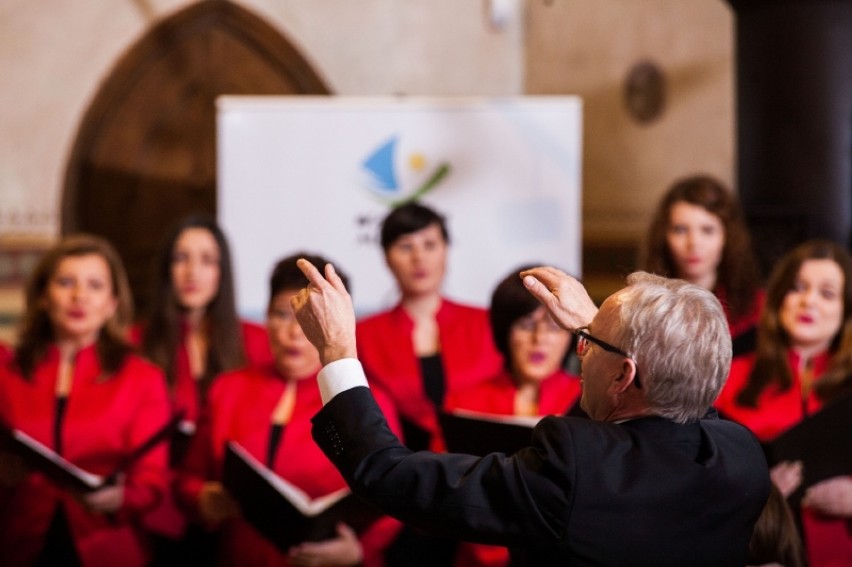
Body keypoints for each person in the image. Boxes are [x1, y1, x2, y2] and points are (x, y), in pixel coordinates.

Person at [291, 259, 770, 566]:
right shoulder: (740, 456)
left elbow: (385, 471)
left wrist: (336, 350)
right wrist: (596, 326)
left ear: (623, 376)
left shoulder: (572, 468)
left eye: (589, 343)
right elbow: (682, 389)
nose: (579, 350)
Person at [177, 253, 403, 567]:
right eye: (281, 314)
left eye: (307, 318)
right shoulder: (228, 389)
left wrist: (359, 552)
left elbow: (396, 497)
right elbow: (189, 477)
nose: (293, 331)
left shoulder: (360, 398)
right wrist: (202, 499)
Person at [0, 234, 171, 567]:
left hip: (106, 544)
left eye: (95, 285)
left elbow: (152, 480)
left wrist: (121, 498)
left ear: (112, 303)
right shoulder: (7, 370)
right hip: (19, 541)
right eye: (66, 282)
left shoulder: (142, 377)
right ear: (44, 297)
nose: (79, 296)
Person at [134, 213, 272, 557]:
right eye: (181, 258)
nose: (192, 272)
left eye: (207, 260)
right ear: (166, 268)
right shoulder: (135, 342)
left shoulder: (255, 341)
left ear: (222, 273)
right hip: (150, 510)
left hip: (229, 509)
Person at [715, 239, 852, 566]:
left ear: (846, 310)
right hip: (759, 551)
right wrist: (757, 490)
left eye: (827, 293)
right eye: (797, 288)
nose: (809, 302)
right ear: (777, 300)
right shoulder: (729, 379)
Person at [444, 267, 583, 567]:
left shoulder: (589, 402)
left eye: (553, 327)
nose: (539, 339)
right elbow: (439, 488)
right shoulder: (463, 402)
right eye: (525, 324)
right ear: (504, 330)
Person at [356, 202, 503, 453]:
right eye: (405, 247)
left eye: (430, 245)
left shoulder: (487, 324)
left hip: (484, 462)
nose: (419, 258)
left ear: (446, 249)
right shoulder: (363, 336)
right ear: (386, 258)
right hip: (397, 469)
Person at [643, 175, 764, 356]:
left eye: (707, 230)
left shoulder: (757, 309)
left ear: (728, 236)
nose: (694, 243)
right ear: (664, 236)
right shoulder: (642, 308)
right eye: (680, 230)